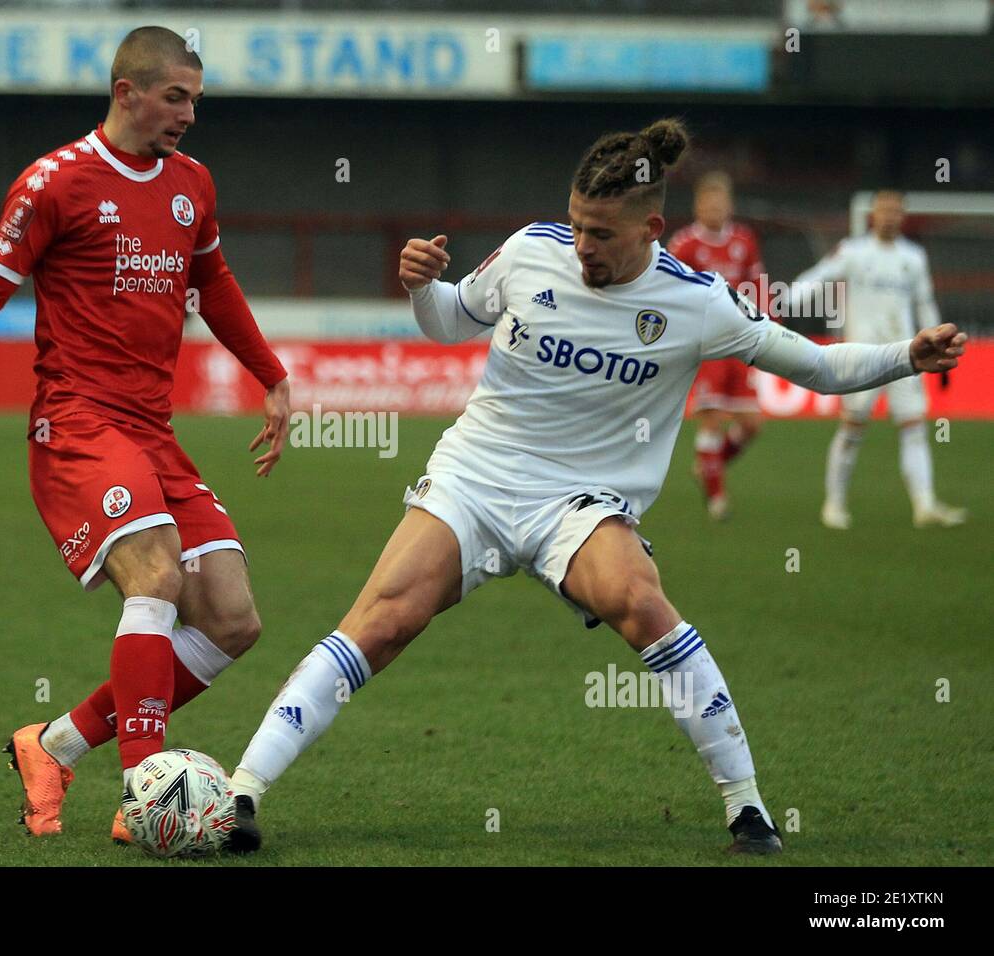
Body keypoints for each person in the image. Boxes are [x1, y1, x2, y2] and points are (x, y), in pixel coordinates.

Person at [223, 121, 966, 856]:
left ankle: (748, 811)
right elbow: (451, 321)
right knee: (382, 620)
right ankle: (242, 794)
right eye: (578, 225)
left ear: (652, 227)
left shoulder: (698, 303)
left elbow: (818, 367)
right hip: (477, 475)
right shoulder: (528, 252)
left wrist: (908, 354)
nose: (583, 246)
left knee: (641, 600)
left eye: (603, 234)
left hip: (580, 503)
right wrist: (423, 287)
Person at [0, 27, 290, 843]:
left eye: (195, 101)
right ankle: (146, 792)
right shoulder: (54, 183)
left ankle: (54, 744)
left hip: (152, 431)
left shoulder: (192, 185)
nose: (187, 114)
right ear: (127, 91)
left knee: (233, 618)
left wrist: (271, 375)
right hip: (75, 422)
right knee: (156, 573)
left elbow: (213, 283)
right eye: (175, 97)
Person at [792, 190, 966, 530]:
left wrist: (940, 343)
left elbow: (924, 303)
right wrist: (787, 302)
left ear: (903, 216)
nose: (890, 216)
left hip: (908, 354)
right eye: (884, 210)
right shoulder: (854, 251)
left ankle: (924, 505)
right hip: (862, 356)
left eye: (896, 211)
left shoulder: (913, 257)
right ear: (873, 215)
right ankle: (835, 504)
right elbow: (819, 275)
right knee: (853, 426)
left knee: (914, 427)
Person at [667, 172, 766, 520]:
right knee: (711, 421)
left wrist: (767, 319)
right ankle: (717, 498)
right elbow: (667, 290)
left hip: (739, 341)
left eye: (720, 202)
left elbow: (756, 282)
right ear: (697, 206)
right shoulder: (684, 244)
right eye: (708, 202)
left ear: (729, 205)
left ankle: (708, 466)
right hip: (706, 343)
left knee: (752, 423)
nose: (714, 208)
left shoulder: (743, 239)